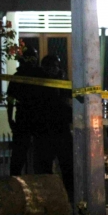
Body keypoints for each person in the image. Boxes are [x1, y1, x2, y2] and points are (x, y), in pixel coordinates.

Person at [34, 54, 74, 203]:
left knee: (67, 165)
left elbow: (71, 97)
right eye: (50, 67)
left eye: (55, 67)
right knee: (44, 167)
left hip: (61, 129)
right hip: (44, 130)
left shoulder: (62, 81)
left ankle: (68, 195)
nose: (53, 70)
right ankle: (47, 195)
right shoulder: (39, 83)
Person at [6, 47, 41, 176]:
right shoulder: (18, 77)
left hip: (38, 118)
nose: (33, 60)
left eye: (34, 57)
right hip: (24, 118)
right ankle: (14, 179)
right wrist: (10, 119)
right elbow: (10, 100)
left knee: (40, 154)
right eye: (30, 57)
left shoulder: (41, 75)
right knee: (19, 153)